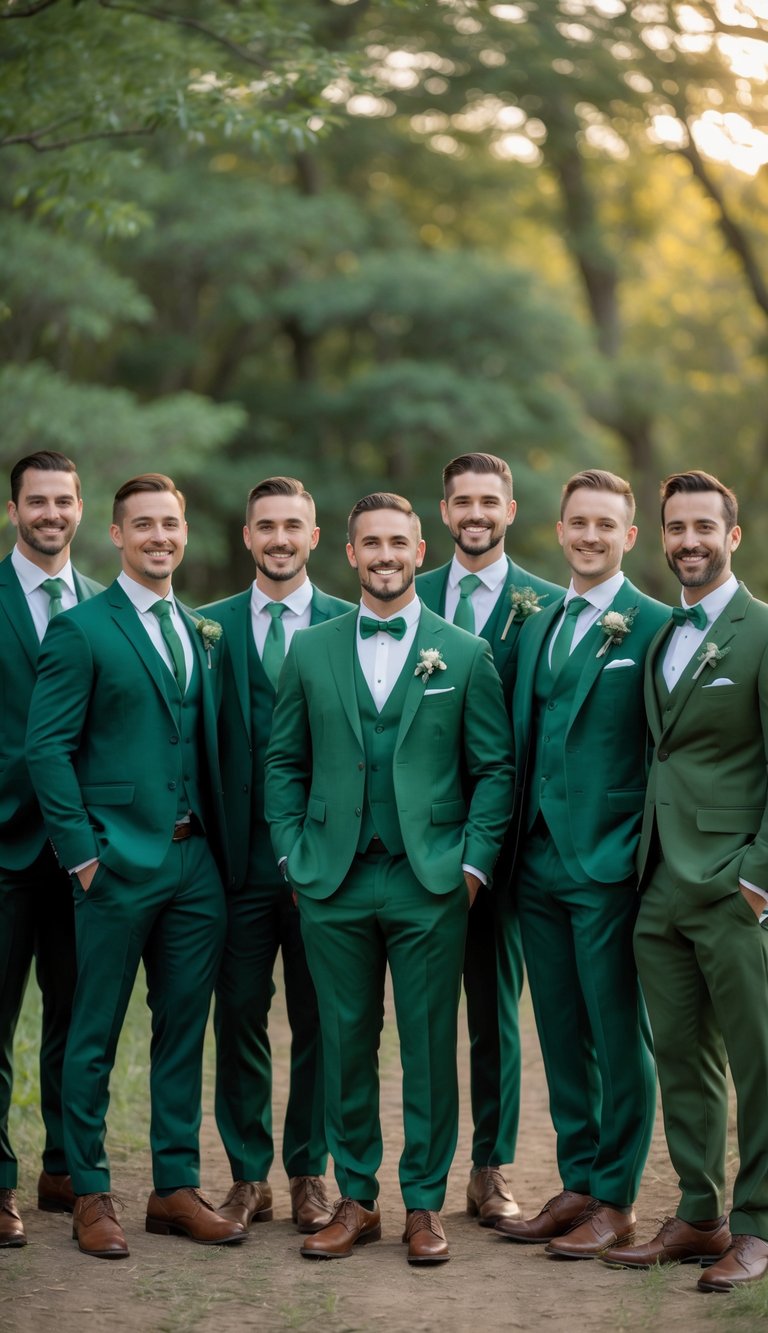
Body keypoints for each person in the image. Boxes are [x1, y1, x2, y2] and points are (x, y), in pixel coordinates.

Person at [265, 492, 514, 1264]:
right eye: (370, 541)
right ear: (348, 551)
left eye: (398, 542)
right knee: (343, 1041)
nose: (384, 554)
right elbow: (283, 761)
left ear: (418, 548)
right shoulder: (311, 649)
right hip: (331, 879)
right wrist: (292, 857)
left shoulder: (464, 652)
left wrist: (470, 867)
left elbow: (495, 769)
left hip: (429, 881)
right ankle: (357, 1197)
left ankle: (426, 1203)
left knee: (429, 1047)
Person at [26, 474, 243, 1259]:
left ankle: (174, 1187)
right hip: (115, 868)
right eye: (143, 524)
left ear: (185, 533)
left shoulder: (195, 627)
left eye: (171, 523)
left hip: (195, 868)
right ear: (115, 535)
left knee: (184, 1032)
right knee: (93, 1034)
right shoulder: (83, 629)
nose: (160, 535)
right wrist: (82, 856)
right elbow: (45, 747)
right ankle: (88, 1190)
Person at [602, 471, 768, 1292]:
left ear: (732, 535)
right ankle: (699, 1209)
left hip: (736, 886)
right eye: (676, 527)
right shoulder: (662, 632)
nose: (689, 540)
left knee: (759, 1059)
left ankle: (761, 1223)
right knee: (680, 1057)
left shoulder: (762, 631)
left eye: (705, 525)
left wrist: (760, 878)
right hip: (658, 881)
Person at [497, 469, 666, 1257]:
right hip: (534, 862)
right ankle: (577, 1179)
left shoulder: (656, 625)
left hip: (608, 861)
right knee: (560, 1031)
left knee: (615, 1032)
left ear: (629, 536)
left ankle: (618, 1196)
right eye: (578, 523)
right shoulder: (537, 622)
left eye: (607, 524)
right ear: (559, 531)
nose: (591, 535)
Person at [200, 477, 353, 1234]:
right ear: (248, 537)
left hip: (326, 866)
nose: (280, 537)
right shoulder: (207, 627)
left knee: (320, 1017)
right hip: (234, 866)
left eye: (294, 524)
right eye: (266, 525)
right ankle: (246, 1173)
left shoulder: (351, 624)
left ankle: (308, 1172)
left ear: (316, 536)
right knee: (238, 1014)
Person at [417, 452, 562, 1225]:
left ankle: (489, 1166)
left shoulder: (547, 604)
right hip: (422, 839)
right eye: (462, 500)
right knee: (424, 1010)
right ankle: (420, 1174)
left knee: (495, 1012)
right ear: (443, 512)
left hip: (515, 843)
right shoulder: (407, 594)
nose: (475, 513)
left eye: (489, 501)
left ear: (511, 510)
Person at [0, 451, 101, 1248]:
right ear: (14, 511)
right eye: (37, 501)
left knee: (75, 1015)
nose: (51, 513)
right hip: (0, 848)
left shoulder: (103, 605)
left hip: (78, 854)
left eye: (63, 500)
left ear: (79, 508)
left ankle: (64, 1166)